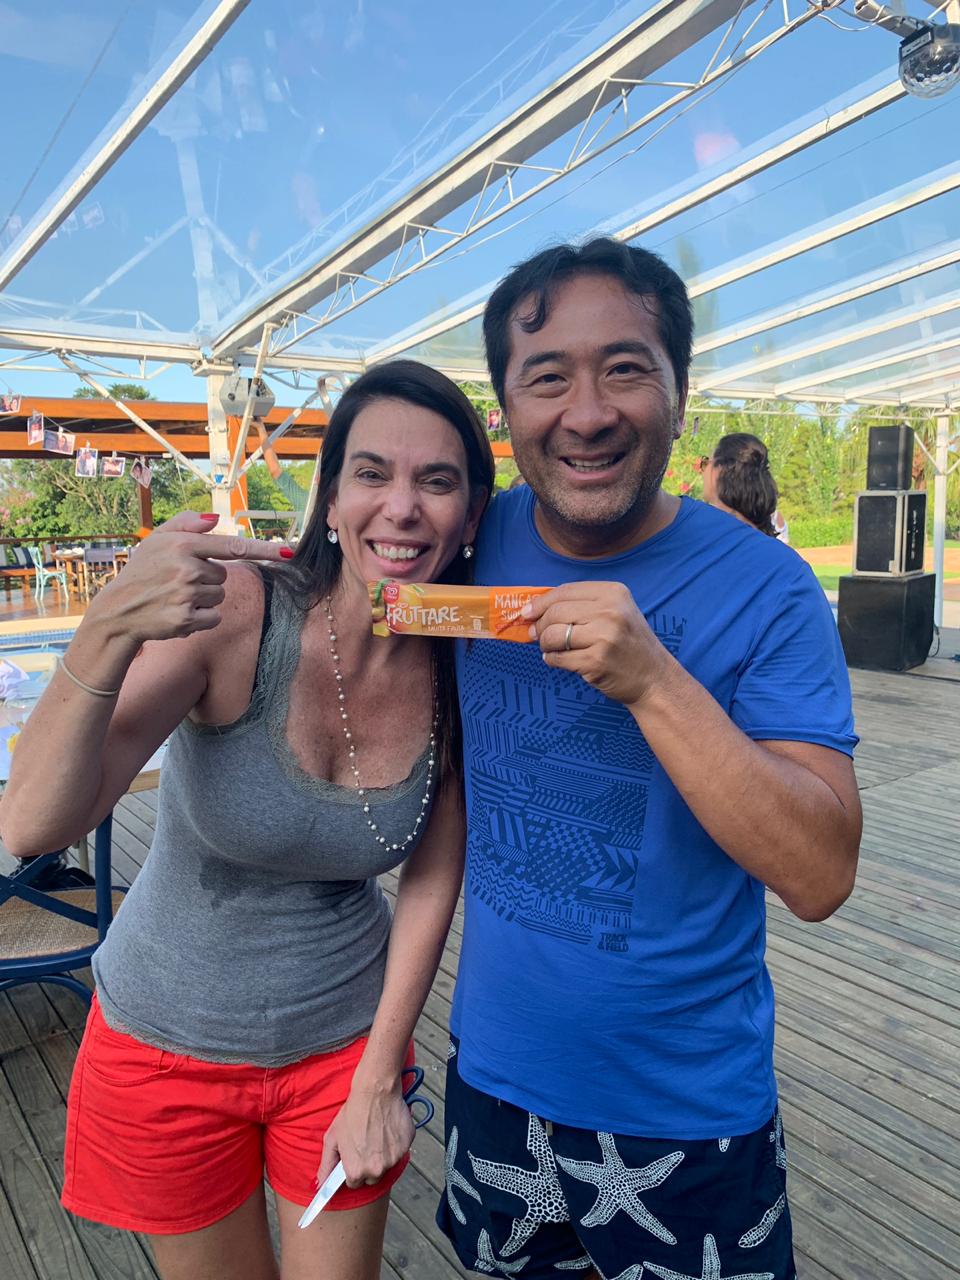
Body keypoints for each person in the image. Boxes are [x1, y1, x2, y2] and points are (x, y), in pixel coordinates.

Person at [0, 359, 493, 1280]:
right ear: (332, 499)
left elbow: (432, 875)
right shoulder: (239, 613)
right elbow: (31, 824)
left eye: (437, 480)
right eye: (372, 473)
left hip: (344, 1045)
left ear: (470, 517)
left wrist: (381, 1072)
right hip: (164, 1047)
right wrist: (107, 627)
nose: (401, 507)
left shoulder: (464, 663)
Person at [435, 238, 861, 1280]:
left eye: (625, 368)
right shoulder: (465, 543)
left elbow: (820, 874)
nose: (586, 413)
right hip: (494, 1078)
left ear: (680, 393)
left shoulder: (770, 588)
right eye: (547, 377)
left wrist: (655, 681)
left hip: (689, 1113)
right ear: (504, 409)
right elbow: (344, 587)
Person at [701, 432, 779, 536]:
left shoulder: (720, 532)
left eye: (706, 463)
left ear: (719, 470)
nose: (703, 471)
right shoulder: (756, 532)